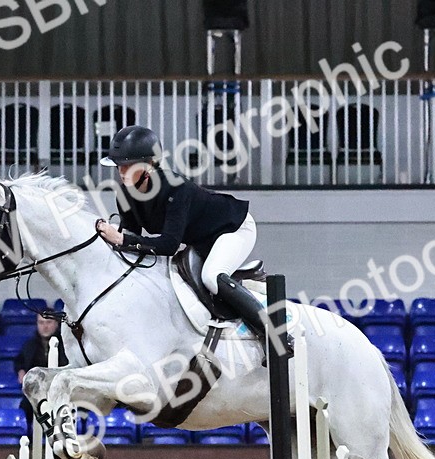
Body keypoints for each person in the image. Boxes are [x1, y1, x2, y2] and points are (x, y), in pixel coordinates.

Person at [93, 124, 289, 352]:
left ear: (149, 165)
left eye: (128, 166)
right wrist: (111, 239)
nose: (121, 171)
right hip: (201, 241)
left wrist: (121, 240)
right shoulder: (125, 195)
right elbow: (133, 239)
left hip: (233, 228)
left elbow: (169, 245)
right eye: (119, 166)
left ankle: (274, 335)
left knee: (211, 277)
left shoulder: (175, 189)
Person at [12, 313, 68, 420]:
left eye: (49, 322)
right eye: (41, 323)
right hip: (36, 390)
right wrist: (21, 371)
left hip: (61, 389)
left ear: (56, 324)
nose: (45, 326)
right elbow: (19, 361)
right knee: (25, 406)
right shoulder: (29, 345)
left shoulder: (66, 344)